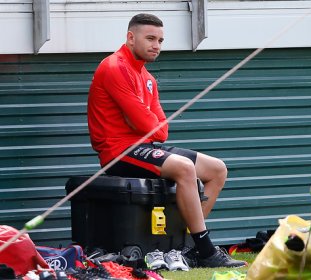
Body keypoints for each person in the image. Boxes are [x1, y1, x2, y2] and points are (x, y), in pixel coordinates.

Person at [87, 13, 246, 268]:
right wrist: (144, 122)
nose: (156, 46)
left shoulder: (148, 79)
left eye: (160, 40)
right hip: (117, 151)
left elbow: (160, 132)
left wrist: (143, 121)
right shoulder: (114, 67)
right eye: (150, 38)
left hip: (144, 148)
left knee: (217, 169)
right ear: (130, 37)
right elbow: (148, 124)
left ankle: (186, 247)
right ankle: (205, 250)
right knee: (185, 168)